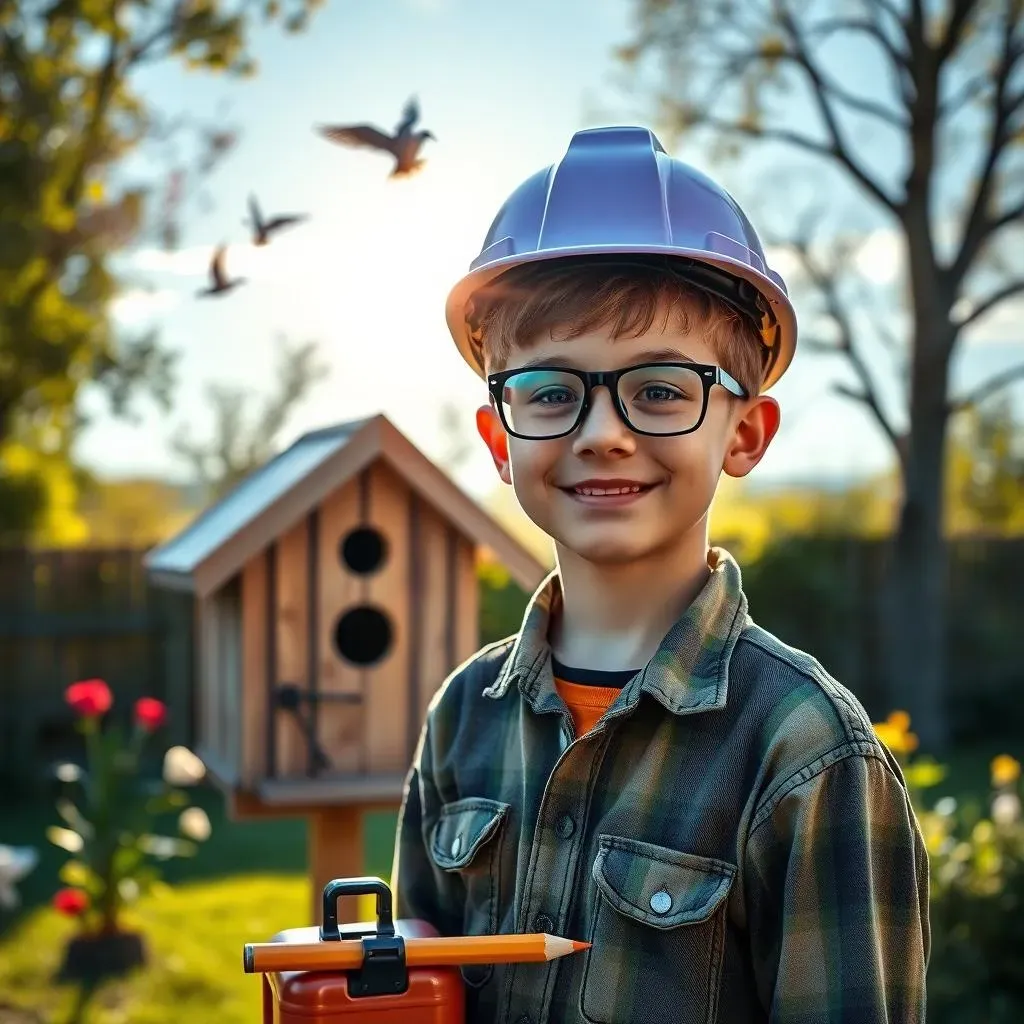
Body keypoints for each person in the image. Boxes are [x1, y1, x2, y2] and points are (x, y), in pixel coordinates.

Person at [391, 125, 930, 1024]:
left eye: (662, 388)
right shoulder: (462, 717)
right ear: (498, 439)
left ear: (746, 433)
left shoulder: (805, 753)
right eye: (552, 391)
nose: (602, 431)